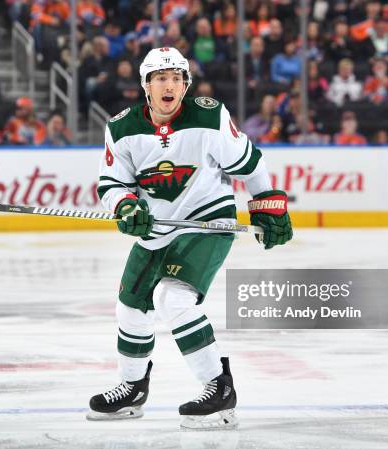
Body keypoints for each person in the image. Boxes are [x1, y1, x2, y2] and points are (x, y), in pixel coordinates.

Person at [90, 47, 293, 429]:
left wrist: (265, 201)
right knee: (131, 304)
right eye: (160, 79)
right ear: (145, 86)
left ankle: (218, 388)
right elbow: (112, 183)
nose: (170, 86)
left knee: (173, 296)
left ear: (186, 84)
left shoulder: (208, 116)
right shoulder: (120, 127)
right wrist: (126, 205)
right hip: (158, 227)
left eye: (177, 79)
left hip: (207, 221)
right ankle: (132, 387)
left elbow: (249, 163)